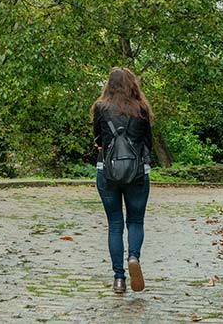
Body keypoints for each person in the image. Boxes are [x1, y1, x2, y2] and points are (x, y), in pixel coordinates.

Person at [91, 66, 153, 294]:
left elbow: (98, 138)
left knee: (115, 225)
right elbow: (148, 141)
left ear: (109, 84)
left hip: (107, 171)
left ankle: (119, 278)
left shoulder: (100, 108)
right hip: (137, 172)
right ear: (132, 84)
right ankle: (134, 257)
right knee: (135, 221)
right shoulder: (142, 109)